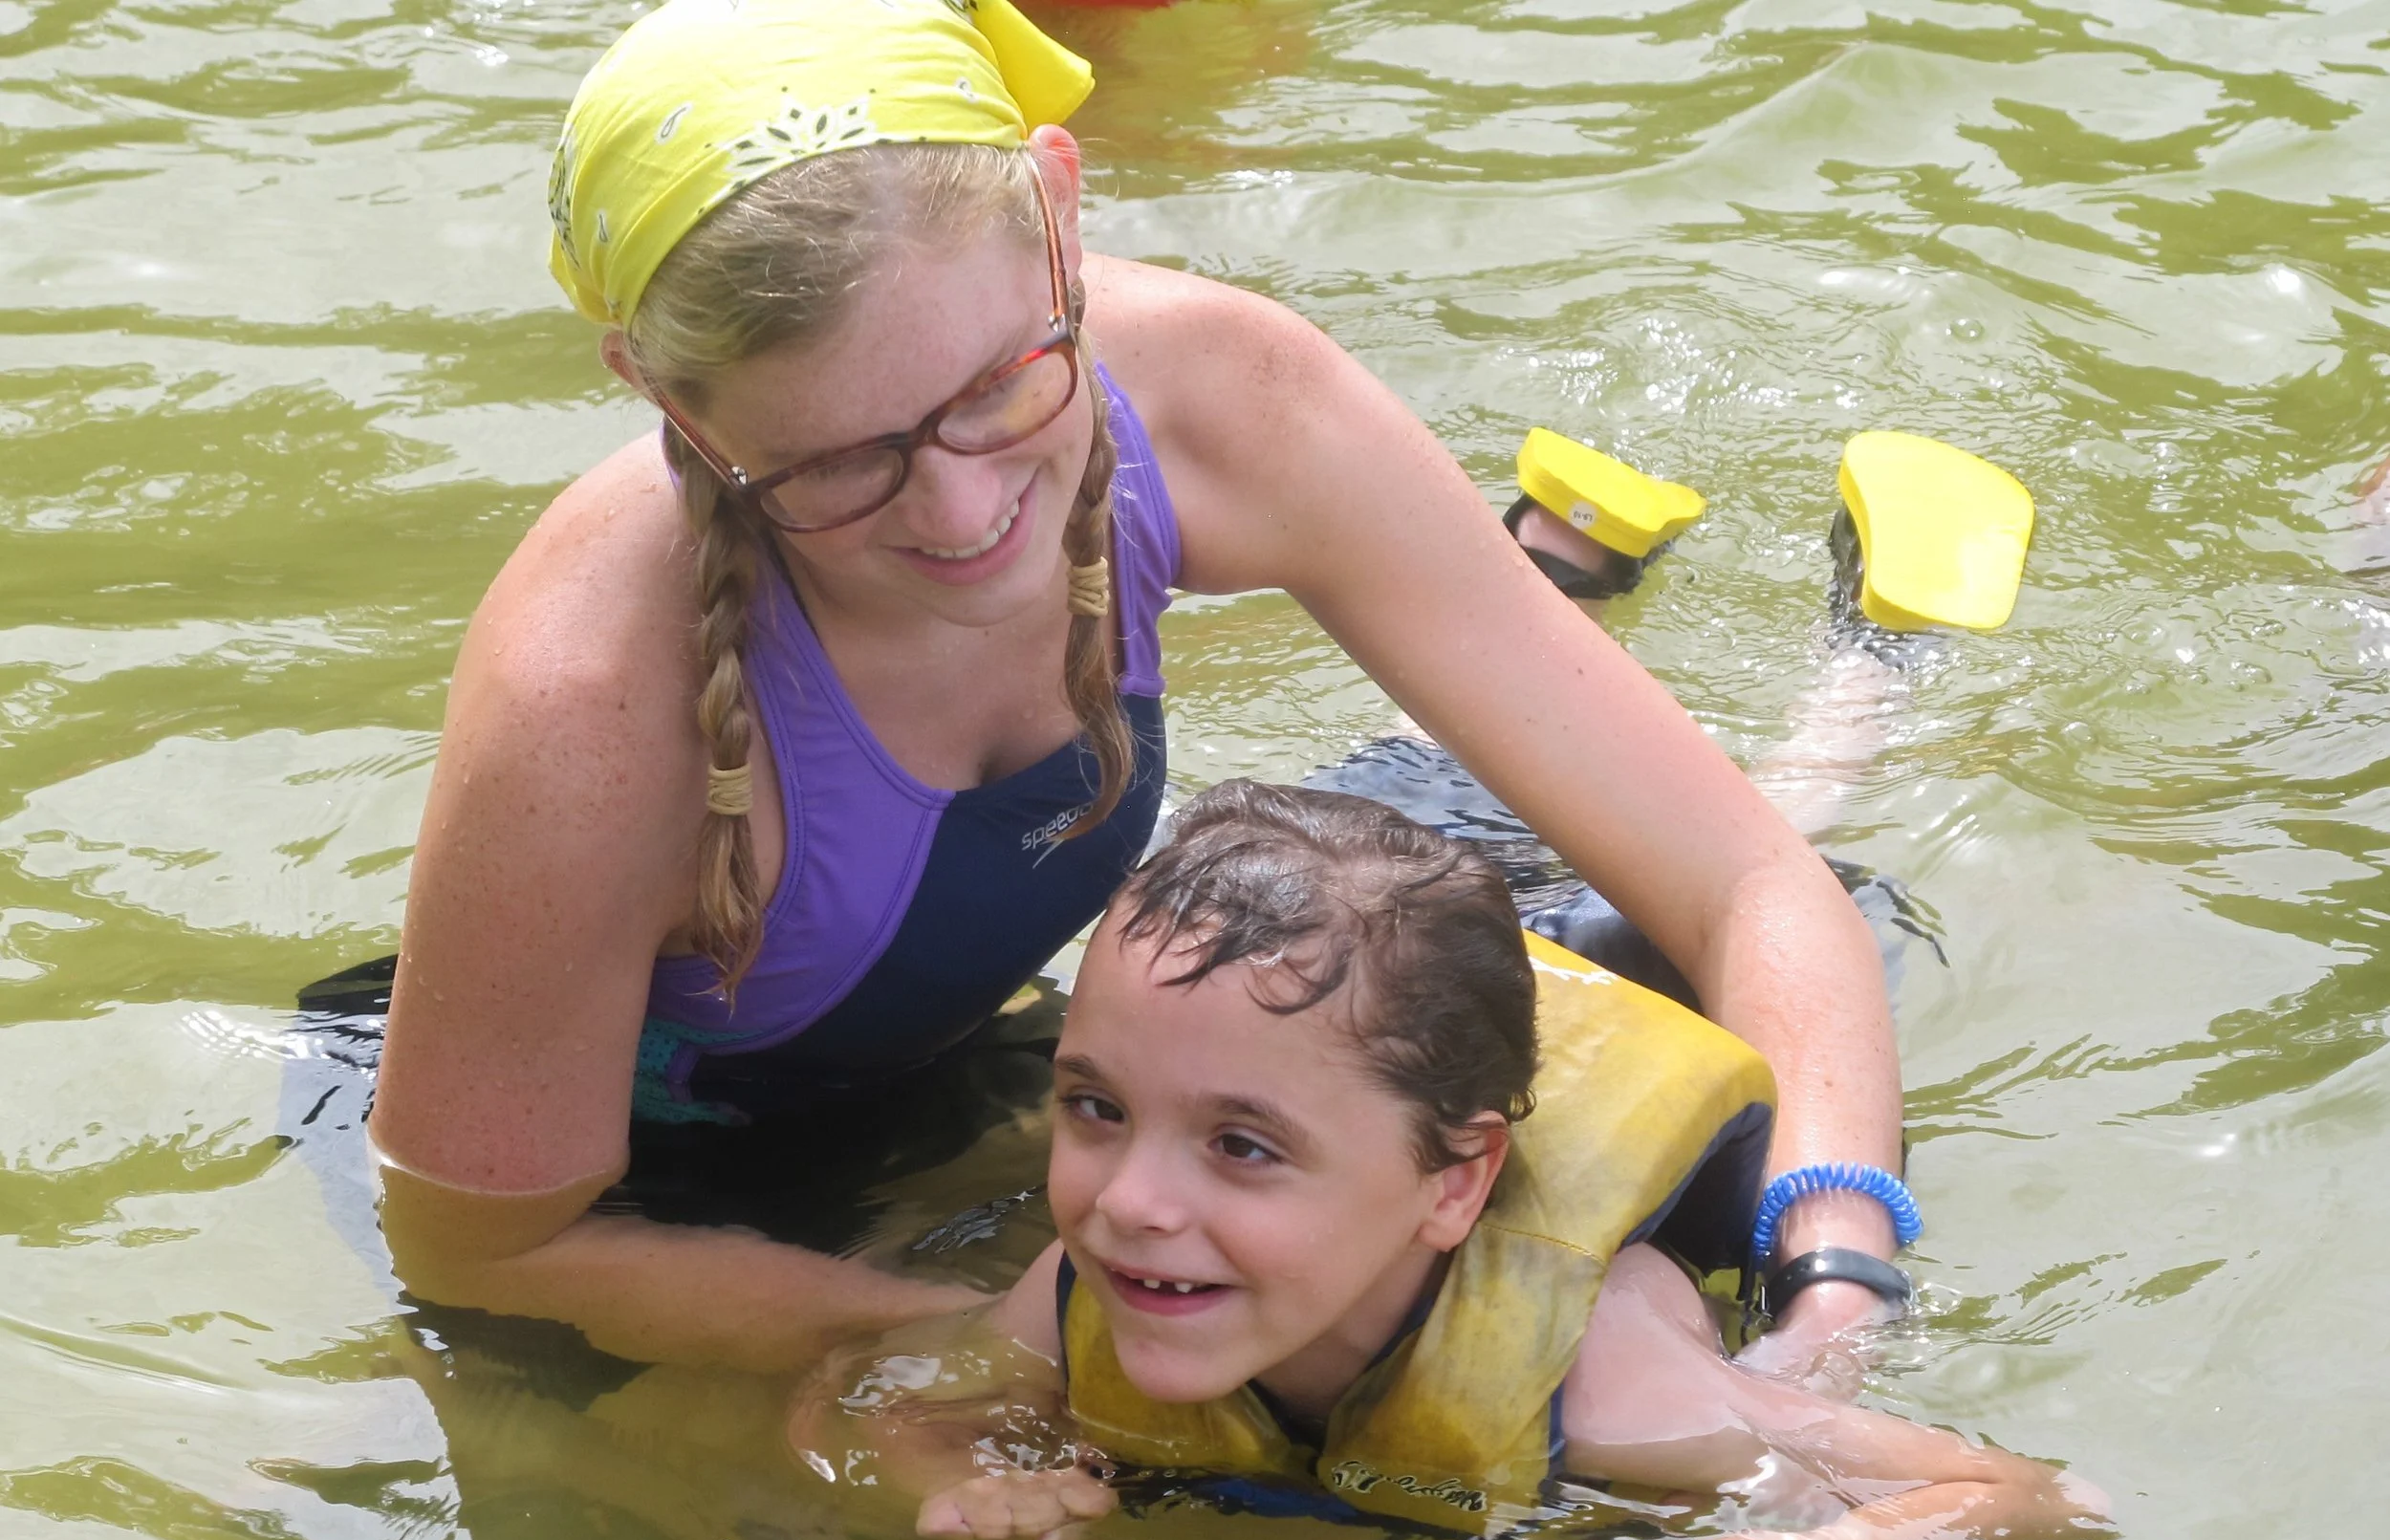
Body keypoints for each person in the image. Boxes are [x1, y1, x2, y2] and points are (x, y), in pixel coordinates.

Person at [367, 0, 1902, 1383]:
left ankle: (1749, 635)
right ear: (662, 400)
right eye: (836, 465)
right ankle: (1547, 572)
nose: (966, 515)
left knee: (1640, 1007)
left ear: (1059, 209)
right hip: (641, 1223)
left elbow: (1747, 882)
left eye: (998, 388)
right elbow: (477, 1250)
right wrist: (1013, 1352)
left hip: (976, 1096)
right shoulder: (587, 705)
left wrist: (1835, 1279)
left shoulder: (1216, 391)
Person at [799, 783, 2099, 1540]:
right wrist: (963, 1481)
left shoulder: (1612, 1386)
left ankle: (1865, 674)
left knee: (1778, 812)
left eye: (1241, 1146)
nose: (1128, 1202)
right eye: (1095, 1106)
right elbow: (892, 1409)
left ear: (1456, 1184)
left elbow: (2034, 1499)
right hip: (1396, 997)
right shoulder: (1091, 1284)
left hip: (1646, 971)